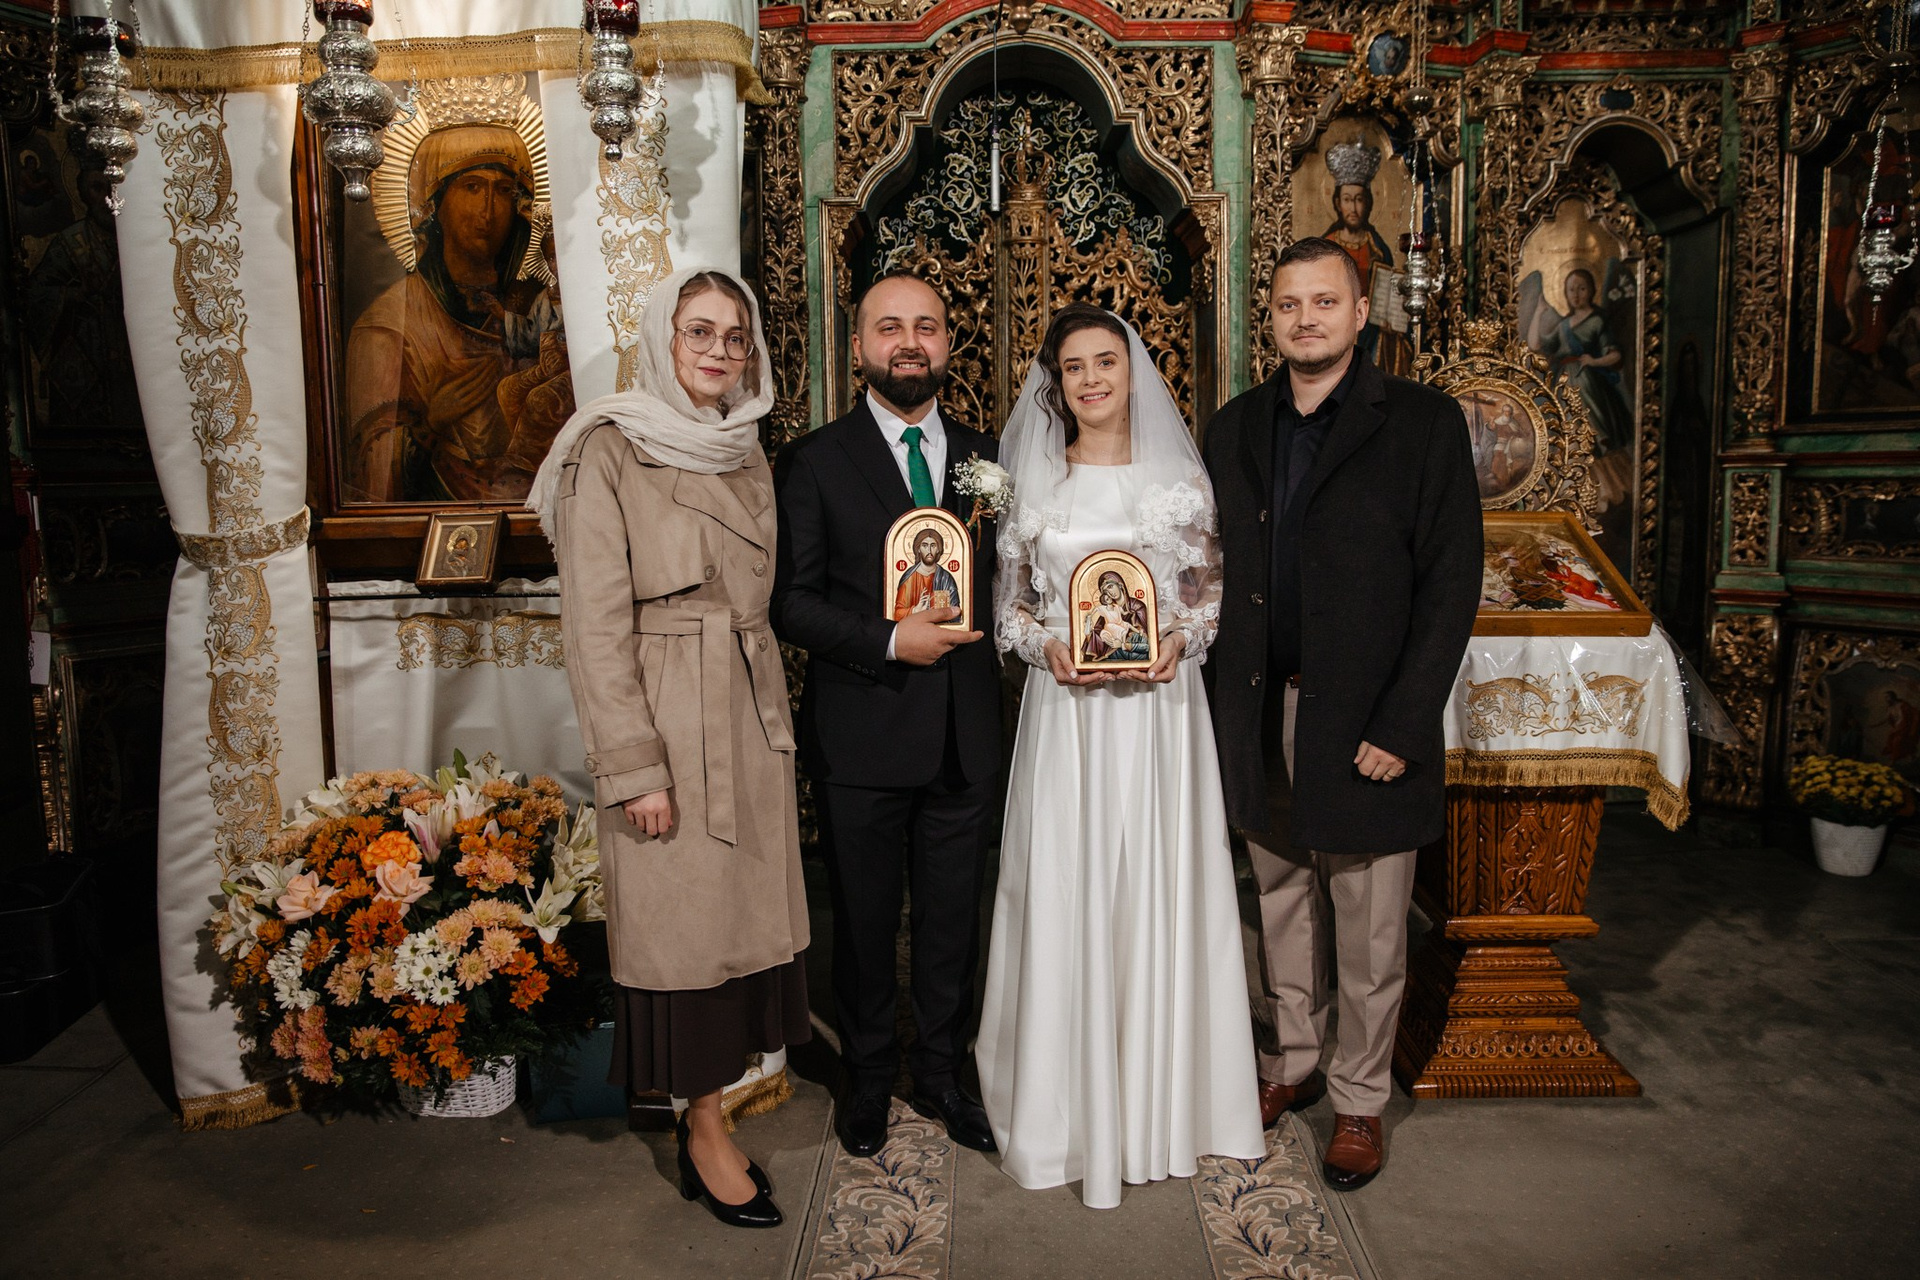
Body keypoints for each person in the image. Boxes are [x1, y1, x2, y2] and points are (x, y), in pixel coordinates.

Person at [1202, 238, 1482, 1192]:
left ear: (1362, 313)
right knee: (1280, 901)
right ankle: (1292, 1060)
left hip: (1367, 723)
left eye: (1325, 302)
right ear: (1271, 318)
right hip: (1258, 708)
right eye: (1289, 304)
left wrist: (1403, 724)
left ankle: (1360, 1098)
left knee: (1368, 930)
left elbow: (1451, 584)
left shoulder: (1421, 423)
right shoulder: (1236, 426)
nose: (1306, 319)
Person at [531, 267, 808, 1230]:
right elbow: (593, 629)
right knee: (683, 936)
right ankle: (703, 1130)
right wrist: (635, 769)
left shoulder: (744, 444)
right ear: (662, 337)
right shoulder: (606, 448)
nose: (720, 351)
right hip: (667, 716)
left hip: (746, 707)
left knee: (736, 930)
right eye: (700, 331)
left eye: (736, 335)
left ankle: (718, 1108)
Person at [979, 304, 1265, 1210]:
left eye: (1106, 361)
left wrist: (1182, 639)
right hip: (1067, 714)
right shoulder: (1037, 485)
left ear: (1133, 370)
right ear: (1055, 384)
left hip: (1158, 716)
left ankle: (1163, 1101)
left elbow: (1208, 597)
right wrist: (1044, 647)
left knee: (1155, 882)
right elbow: (1011, 608)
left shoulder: (1178, 483)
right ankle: (1064, 1108)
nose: (1092, 380)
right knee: (1068, 881)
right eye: (1074, 367)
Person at [772, 271, 1003, 1160]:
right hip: (863, 731)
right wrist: (889, 640)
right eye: (890, 327)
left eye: (928, 327)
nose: (910, 343)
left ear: (949, 342)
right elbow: (790, 603)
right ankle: (869, 1076)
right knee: (864, 922)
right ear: (861, 344)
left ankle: (942, 1073)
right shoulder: (815, 461)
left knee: (952, 921)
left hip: (964, 735)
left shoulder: (989, 457)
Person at [348, 123, 574, 502]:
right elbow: (371, 473)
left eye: (503, 191)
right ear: (434, 204)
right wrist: (431, 422)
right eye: (471, 187)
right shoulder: (388, 327)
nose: (488, 210)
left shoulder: (542, 306)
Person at [893, 527, 961, 620]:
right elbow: (897, 614)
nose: (929, 551)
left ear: (938, 549)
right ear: (918, 549)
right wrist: (915, 610)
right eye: (924, 546)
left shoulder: (946, 578)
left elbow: (955, 613)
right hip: (913, 628)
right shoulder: (909, 578)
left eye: (933, 546)